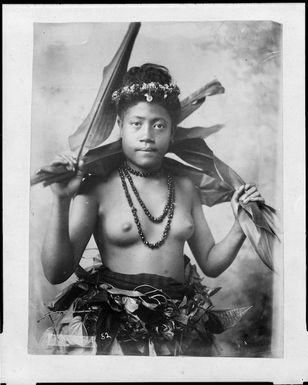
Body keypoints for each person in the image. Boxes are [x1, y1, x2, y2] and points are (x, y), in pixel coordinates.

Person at [39, 63, 265, 356]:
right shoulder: (96, 187)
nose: (147, 134)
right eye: (136, 123)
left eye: (159, 125)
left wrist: (240, 223)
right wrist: (60, 200)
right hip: (115, 327)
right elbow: (56, 272)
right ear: (120, 126)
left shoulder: (185, 187)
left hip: (177, 326)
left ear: (172, 133)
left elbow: (210, 262)